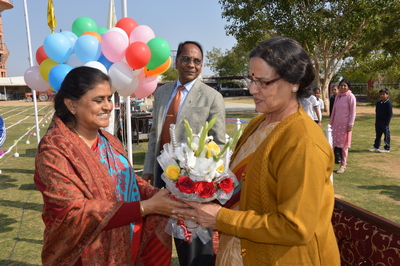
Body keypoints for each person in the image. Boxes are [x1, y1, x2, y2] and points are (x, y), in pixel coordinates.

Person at [173, 37, 340, 265]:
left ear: (294, 83)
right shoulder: (259, 123)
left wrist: (221, 218)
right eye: (251, 79)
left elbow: (296, 228)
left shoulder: (303, 141)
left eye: (263, 82)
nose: (252, 89)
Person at [34, 66, 187, 265]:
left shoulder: (109, 140)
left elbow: (128, 181)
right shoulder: (54, 150)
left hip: (128, 245)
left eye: (109, 98)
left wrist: (157, 195)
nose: (108, 106)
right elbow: (72, 212)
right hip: (82, 255)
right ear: (72, 105)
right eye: (98, 100)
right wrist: (145, 207)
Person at [142, 41, 226, 266]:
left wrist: (205, 182)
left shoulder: (211, 97)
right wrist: (149, 169)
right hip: (162, 175)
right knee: (160, 232)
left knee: (193, 241)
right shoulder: (162, 93)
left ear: (202, 65)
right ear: (177, 61)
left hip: (191, 182)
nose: (192, 64)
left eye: (197, 61)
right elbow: (154, 135)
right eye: (187, 59)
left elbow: (217, 144)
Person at [330, 78, 356, 174]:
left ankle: (343, 165)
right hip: (335, 124)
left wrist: (350, 124)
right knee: (332, 144)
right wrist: (331, 123)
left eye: (345, 85)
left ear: (348, 87)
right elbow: (334, 111)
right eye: (341, 85)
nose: (343, 87)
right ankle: (329, 163)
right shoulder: (338, 96)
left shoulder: (351, 97)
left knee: (343, 146)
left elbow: (353, 112)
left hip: (345, 125)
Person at [369, 88, 392, 153]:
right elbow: (377, 111)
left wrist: (387, 123)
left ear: (387, 95)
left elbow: (390, 114)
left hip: (385, 122)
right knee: (378, 134)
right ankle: (376, 146)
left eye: (383, 94)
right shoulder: (379, 102)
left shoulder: (388, 103)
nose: (382, 95)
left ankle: (387, 148)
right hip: (378, 121)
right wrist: (376, 121)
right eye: (381, 94)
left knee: (386, 135)